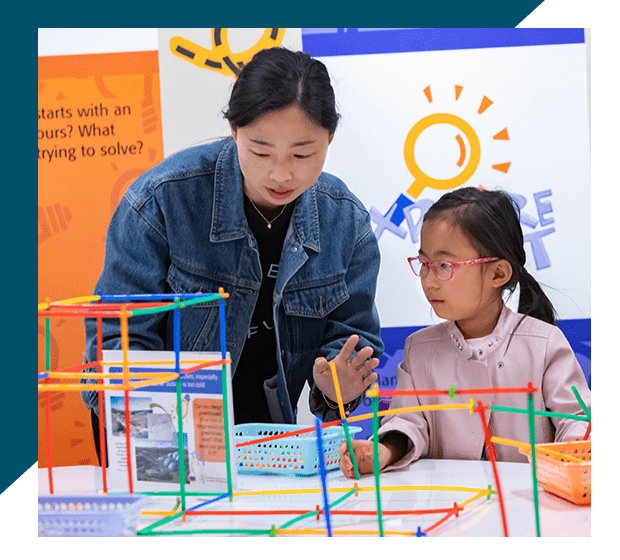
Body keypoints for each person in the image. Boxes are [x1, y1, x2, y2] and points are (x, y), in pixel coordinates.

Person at [81, 47, 384, 461]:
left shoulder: (345, 221)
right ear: (234, 131)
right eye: (260, 152)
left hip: (263, 438)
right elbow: (116, 339)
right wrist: (159, 432)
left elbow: (353, 340)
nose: (281, 174)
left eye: (303, 154)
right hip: (158, 429)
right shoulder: (162, 201)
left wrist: (337, 390)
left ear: (330, 138)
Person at [339, 186, 591, 477]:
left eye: (444, 265)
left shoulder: (544, 343)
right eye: (423, 264)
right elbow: (407, 422)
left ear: (498, 273)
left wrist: (576, 443)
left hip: (526, 505)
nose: (429, 282)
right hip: (451, 505)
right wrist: (382, 451)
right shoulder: (419, 349)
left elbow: (575, 418)